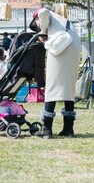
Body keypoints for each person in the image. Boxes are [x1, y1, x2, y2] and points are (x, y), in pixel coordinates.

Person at [29, 8, 81, 139]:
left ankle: (47, 129)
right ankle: (68, 128)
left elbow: (42, 12)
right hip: (73, 48)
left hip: (61, 49)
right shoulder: (62, 21)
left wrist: (42, 32)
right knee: (69, 89)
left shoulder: (45, 13)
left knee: (52, 88)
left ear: (36, 19)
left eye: (36, 24)